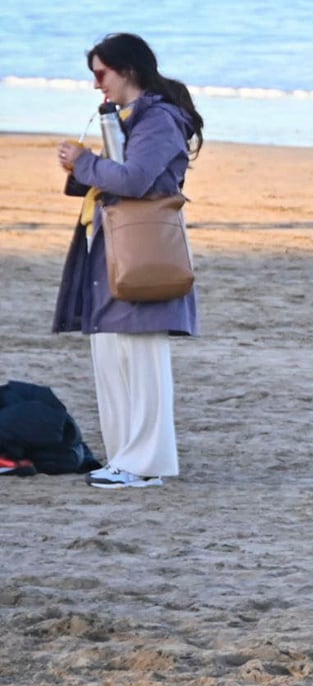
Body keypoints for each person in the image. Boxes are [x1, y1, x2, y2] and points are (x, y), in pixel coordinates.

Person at [52, 33, 206, 489]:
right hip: (115, 245)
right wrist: (86, 167)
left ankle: (146, 463)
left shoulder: (158, 118)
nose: (98, 83)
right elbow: (123, 174)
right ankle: (125, 458)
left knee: (139, 356)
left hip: (142, 249)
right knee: (113, 351)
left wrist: (84, 164)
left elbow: (137, 179)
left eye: (102, 73)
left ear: (128, 70)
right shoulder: (126, 117)